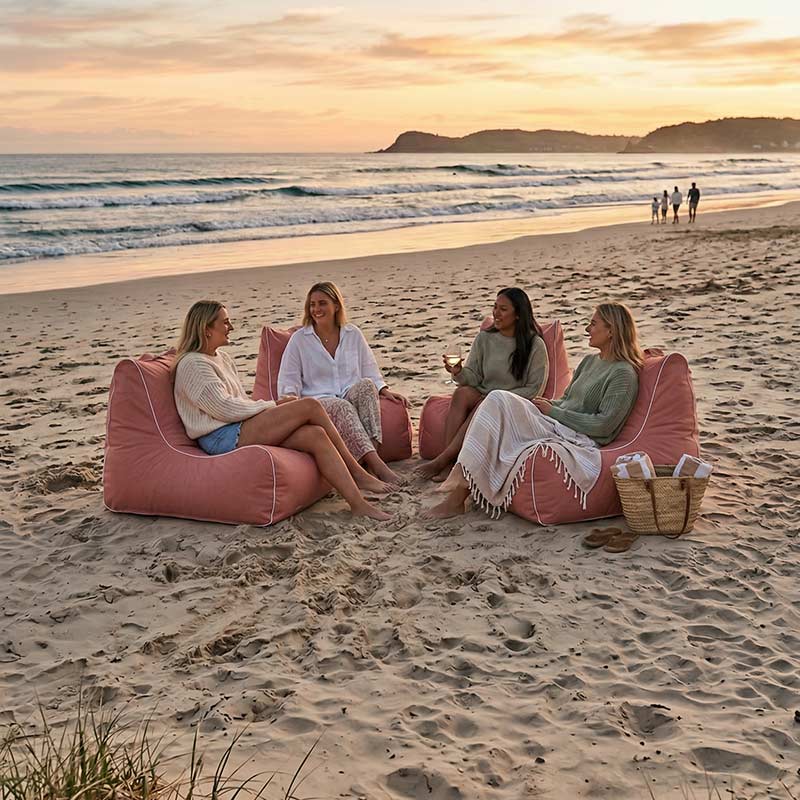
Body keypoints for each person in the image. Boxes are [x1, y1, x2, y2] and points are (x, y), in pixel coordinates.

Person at [173, 299, 392, 521]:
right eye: (225, 322)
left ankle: (357, 503)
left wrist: (266, 410)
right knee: (310, 406)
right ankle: (358, 472)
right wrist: (272, 405)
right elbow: (224, 408)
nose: (231, 327)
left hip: (237, 425)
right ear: (206, 328)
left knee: (315, 435)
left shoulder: (221, 358)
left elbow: (237, 402)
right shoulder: (193, 364)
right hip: (220, 435)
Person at [421, 302, 643, 520]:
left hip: (578, 436)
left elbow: (604, 426)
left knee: (498, 398)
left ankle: (457, 490)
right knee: (497, 400)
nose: (587, 329)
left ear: (611, 330)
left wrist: (553, 412)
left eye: (593, 324)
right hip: (556, 421)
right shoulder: (589, 361)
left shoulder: (623, 374)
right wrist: (547, 406)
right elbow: (566, 400)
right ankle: (460, 479)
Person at [278, 282, 409, 486]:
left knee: (366, 386)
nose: (316, 309)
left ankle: (368, 461)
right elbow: (289, 378)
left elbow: (369, 367)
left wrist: (383, 389)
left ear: (336, 305)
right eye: (312, 304)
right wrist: (291, 400)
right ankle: (377, 466)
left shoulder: (352, 333)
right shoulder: (299, 340)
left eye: (322, 303)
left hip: (348, 391)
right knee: (342, 406)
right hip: (319, 401)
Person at [417, 287, 549, 482]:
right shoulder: (484, 339)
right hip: (485, 394)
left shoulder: (534, 345)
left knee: (485, 403)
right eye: (494, 307)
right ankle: (450, 464)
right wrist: (459, 372)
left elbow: (534, 389)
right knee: (461, 393)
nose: (496, 313)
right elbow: (474, 376)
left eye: (503, 309)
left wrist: (498, 397)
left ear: (519, 314)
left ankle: (443, 461)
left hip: (514, 403)